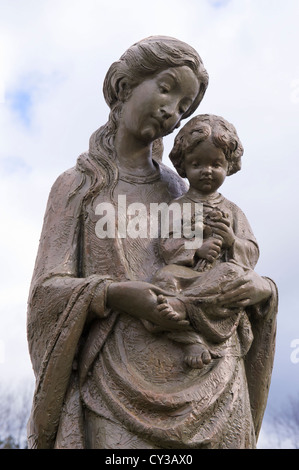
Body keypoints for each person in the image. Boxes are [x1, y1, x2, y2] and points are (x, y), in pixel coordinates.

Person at [27, 37, 277, 449]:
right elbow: (46, 296)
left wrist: (264, 290)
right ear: (124, 85)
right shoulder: (79, 187)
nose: (172, 112)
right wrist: (119, 294)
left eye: (183, 107)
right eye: (166, 89)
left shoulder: (188, 190)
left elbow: (230, 268)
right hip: (116, 389)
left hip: (213, 382)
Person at [152, 114, 260, 369]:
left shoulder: (233, 211)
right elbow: (166, 245)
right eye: (197, 164)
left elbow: (251, 252)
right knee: (165, 278)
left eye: (216, 164)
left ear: (229, 166)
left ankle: (185, 306)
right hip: (189, 276)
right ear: (184, 165)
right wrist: (196, 248)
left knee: (232, 273)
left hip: (219, 280)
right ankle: (191, 338)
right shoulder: (176, 208)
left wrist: (232, 242)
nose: (207, 171)